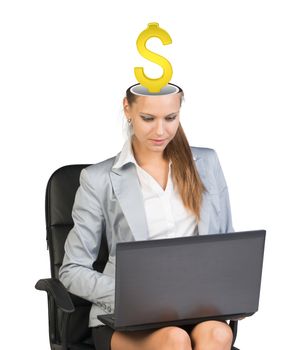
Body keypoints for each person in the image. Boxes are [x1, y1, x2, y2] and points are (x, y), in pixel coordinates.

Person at [59, 83, 236, 350]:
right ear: (127, 109)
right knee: (174, 339)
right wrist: (133, 295)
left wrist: (230, 292)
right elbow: (72, 270)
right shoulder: (98, 180)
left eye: (170, 118)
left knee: (219, 335)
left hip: (197, 310)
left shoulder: (207, 164)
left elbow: (227, 247)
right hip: (128, 318)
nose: (160, 131)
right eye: (148, 119)